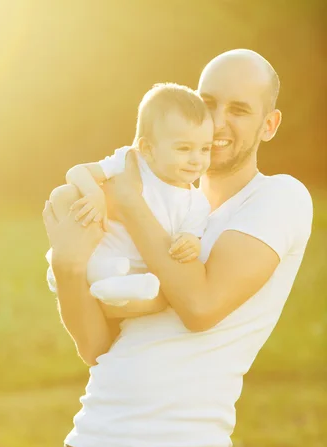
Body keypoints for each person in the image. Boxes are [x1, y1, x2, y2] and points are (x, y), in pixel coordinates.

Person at [27, 49, 313, 447]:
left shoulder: (280, 199)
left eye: (241, 109)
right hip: (90, 446)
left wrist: (130, 201)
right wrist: (67, 265)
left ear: (269, 123)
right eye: (209, 103)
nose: (221, 122)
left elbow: (200, 306)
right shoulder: (173, 204)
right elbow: (94, 346)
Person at [46, 83, 213, 308]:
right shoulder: (130, 162)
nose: (196, 159)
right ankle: (80, 274)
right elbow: (77, 172)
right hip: (100, 251)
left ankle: (114, 288)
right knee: (67, 200)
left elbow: (191, 237)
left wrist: (191, 243)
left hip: (137, 270)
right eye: (183, 149)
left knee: (149, 290)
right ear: (147, 148)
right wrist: (94, 192)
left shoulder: (197, 203)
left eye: (205, 149)